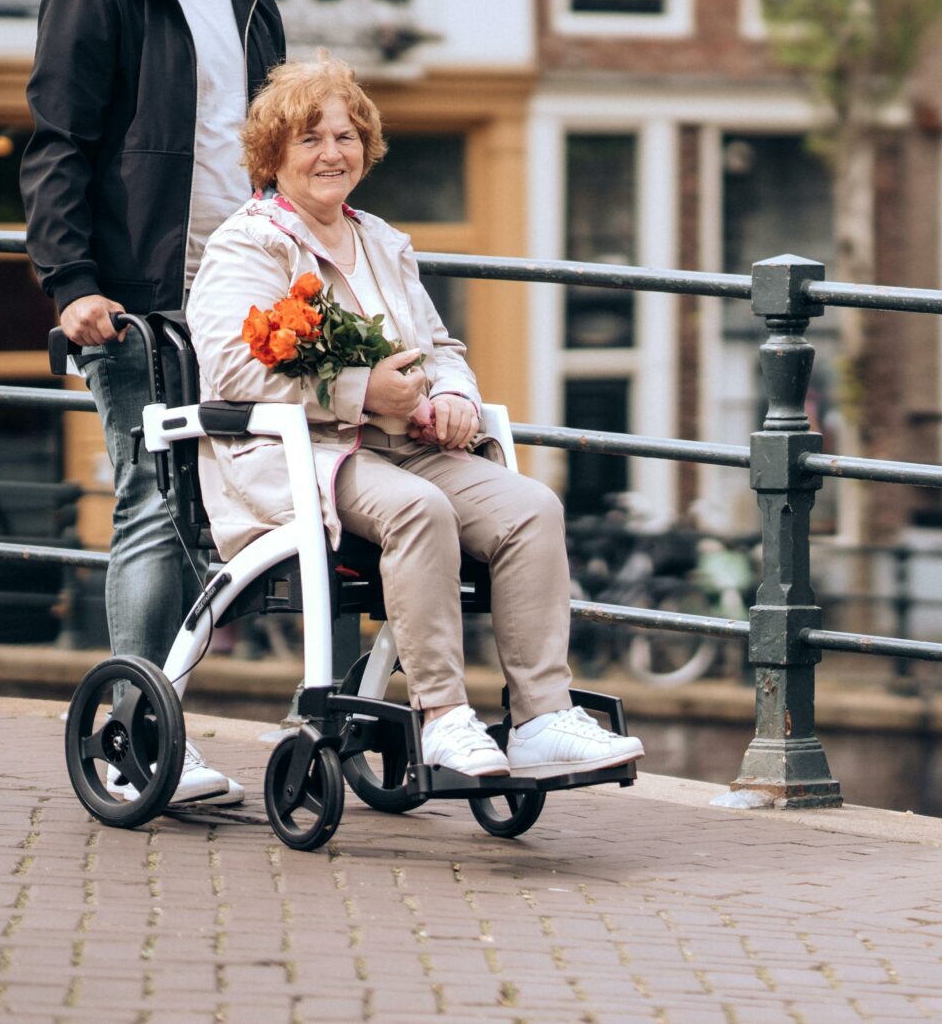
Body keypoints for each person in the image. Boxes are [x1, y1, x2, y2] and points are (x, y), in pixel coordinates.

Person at [187, 57, 644, 780]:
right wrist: (363, 391)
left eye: (345, 134)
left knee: (532, 508)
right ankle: (443, 717)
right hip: (301, 454)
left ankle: (540, 717)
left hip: (404, 444)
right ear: (273, 155)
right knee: (419, 509)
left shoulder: (382, 242)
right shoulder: (249, 244)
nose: (332, 152)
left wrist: (455, 395)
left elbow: (441, 349)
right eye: (309, 138)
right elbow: (235, 373)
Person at [22, 0, 285, 805]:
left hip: (242, 301)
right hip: (135, 299)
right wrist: (73, 284)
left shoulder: (254, 0)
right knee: (149, 500)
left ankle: (160, 728)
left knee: (215, 521)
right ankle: (138, 743)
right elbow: (58, 151)